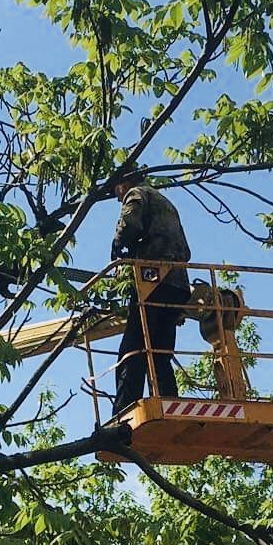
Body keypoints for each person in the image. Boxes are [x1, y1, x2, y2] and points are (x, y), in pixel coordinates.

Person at [108, 175, 191, 414]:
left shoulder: (137, 193)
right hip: (177, 283)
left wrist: (118, 242)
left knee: (133, 349)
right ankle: (169, 403)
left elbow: (130, 223)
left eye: (118, 194)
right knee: (160, 351)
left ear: (122, 185)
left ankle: (125, 410)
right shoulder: (167, 204)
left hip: (153, 279)